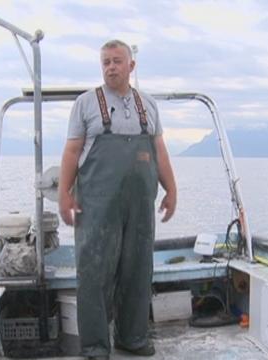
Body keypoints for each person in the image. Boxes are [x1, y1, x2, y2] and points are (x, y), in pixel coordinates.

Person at [58, 39, 177, 360]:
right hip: (96, 206)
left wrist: (172, 189)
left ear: (131, 66)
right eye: (106, 62)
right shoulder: (85, 104)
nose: (111, 67)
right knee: (94, 274)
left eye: (117, 61)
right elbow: (71, 152)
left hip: (139, 207)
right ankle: (96, 347)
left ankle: (132, 338)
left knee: (137, 270)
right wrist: (64, 195)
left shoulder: (148, 105)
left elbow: (159, 151)